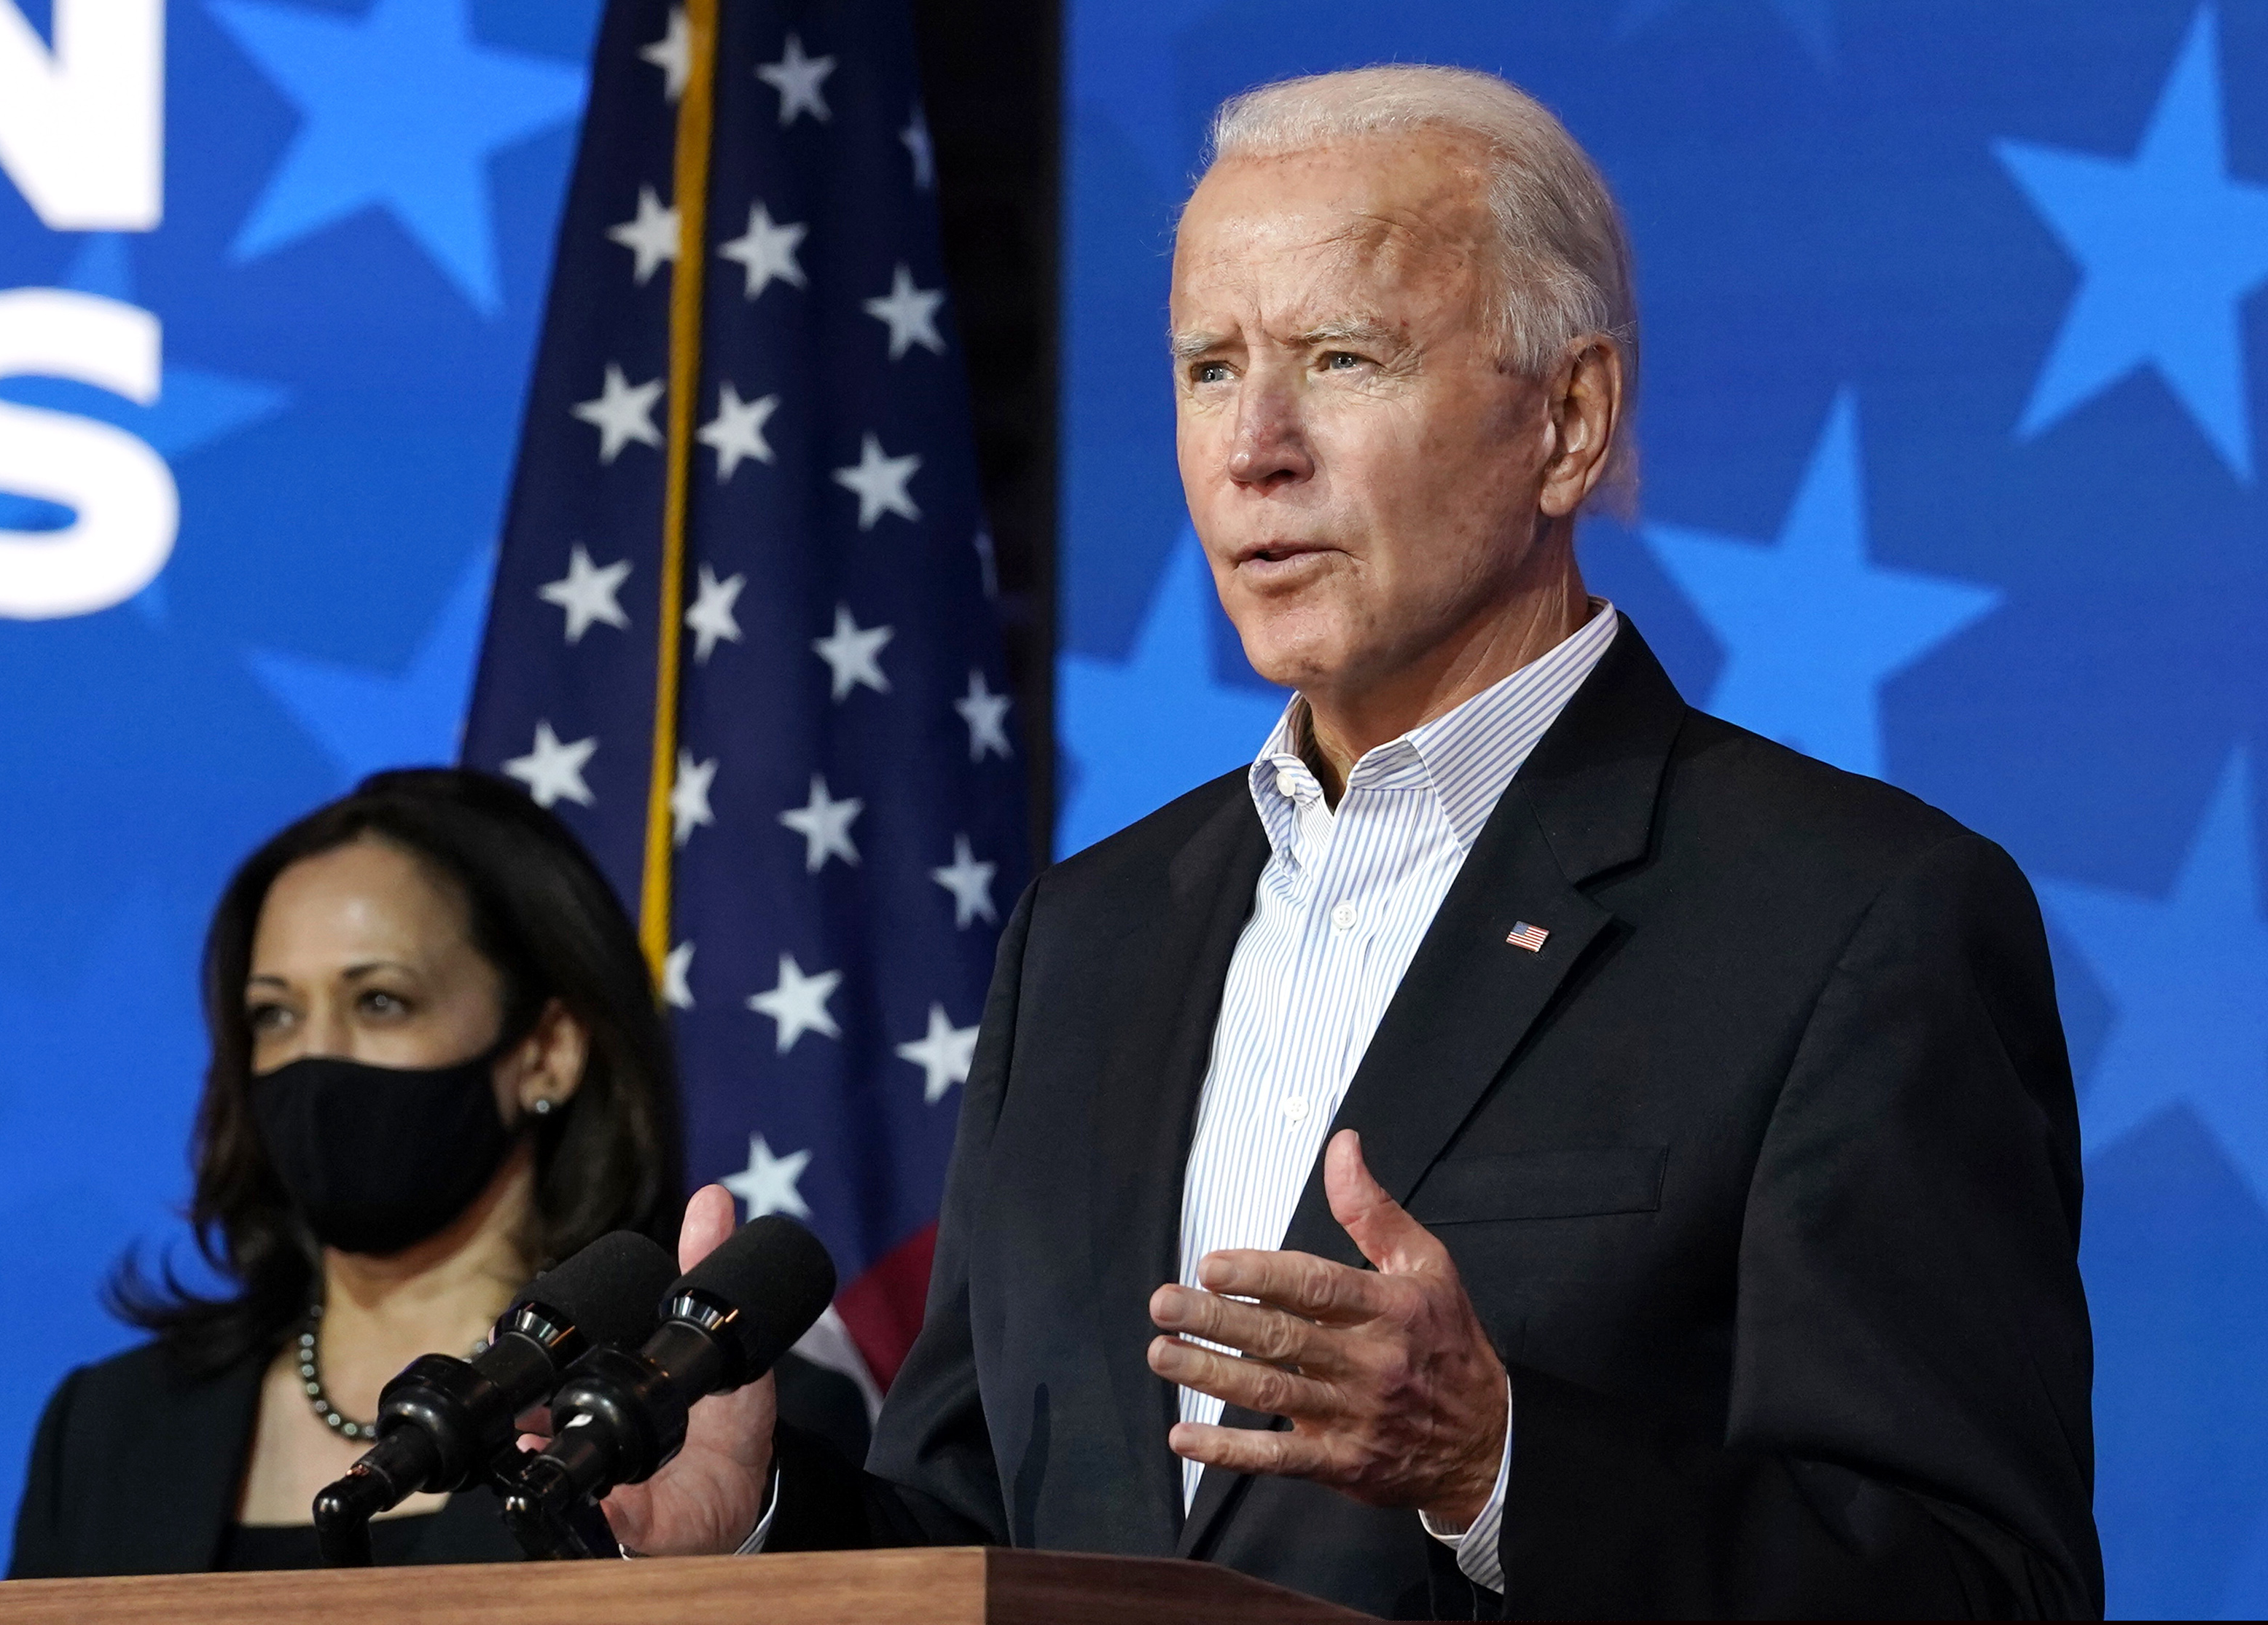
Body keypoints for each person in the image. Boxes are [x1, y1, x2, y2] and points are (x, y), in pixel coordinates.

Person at [573, 66, 2105, 1620]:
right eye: (1205, 367)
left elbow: (1983, 1585)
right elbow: (994, 1527)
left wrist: (1499, 1466)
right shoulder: (1087, 937)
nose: (1254, 447)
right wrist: (755, 1520)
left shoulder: (1853, 918)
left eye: (1341, 357)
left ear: (1566, 423)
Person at [7, 768, 867, 1576]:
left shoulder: (710, 1420)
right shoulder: (109, 1428)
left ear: (547, 1052)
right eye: (274, 1014)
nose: (316, 1057)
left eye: (379, 1001)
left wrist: (720, 1559)